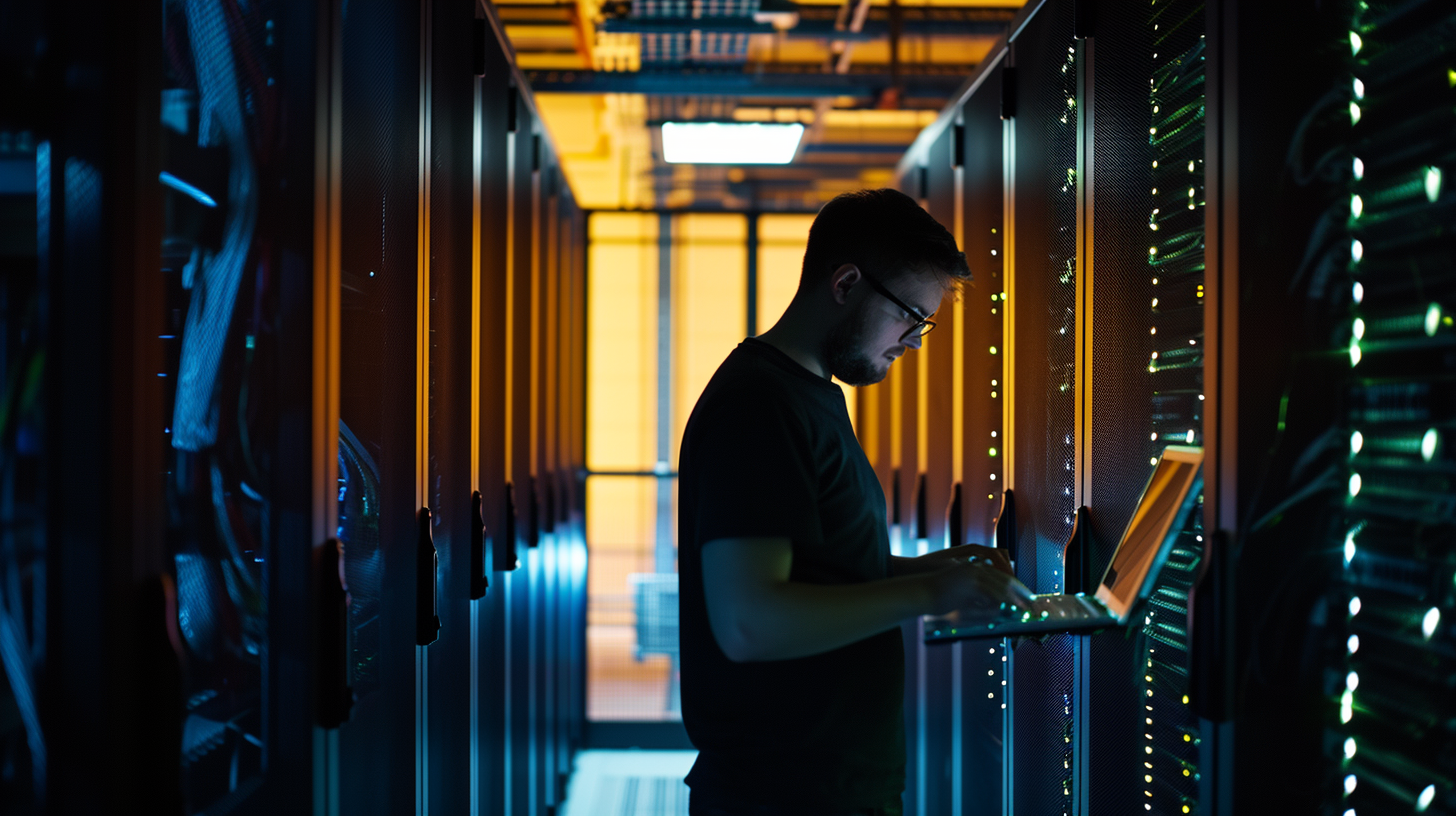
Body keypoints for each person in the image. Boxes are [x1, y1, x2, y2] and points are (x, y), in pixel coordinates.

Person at [676, 188, 1034, 816]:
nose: (916, 341)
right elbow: (749, 622)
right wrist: (928, 596)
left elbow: (817, 572)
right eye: (910, 317)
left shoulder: (809, 394)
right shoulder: (760, 406)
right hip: (785, 794)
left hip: (825, 786)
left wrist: (936, 570)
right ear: (845, 284)